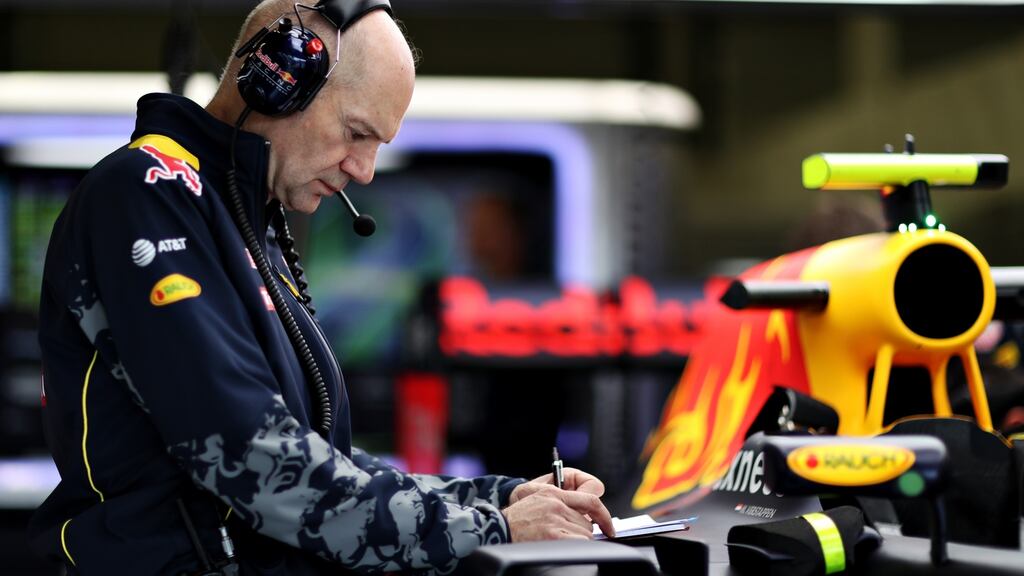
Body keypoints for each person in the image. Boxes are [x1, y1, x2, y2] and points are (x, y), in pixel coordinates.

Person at [28, 1, 614, 574]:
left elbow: (323, 465)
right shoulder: (147, 192)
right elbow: (255, 460)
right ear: (280, 77)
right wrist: (493, 529)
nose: (364, 170)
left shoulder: (240, 218)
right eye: (357, 133)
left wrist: (499, 499)